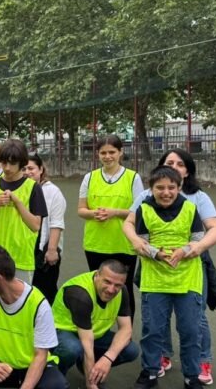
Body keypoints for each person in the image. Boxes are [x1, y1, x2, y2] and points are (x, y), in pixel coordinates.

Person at [129, 149, 216, 385]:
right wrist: (155, 253)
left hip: (188, 277)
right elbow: (140, 239)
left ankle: (193, 374)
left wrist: (186, 250)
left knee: (191, 328)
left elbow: (202, 235)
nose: (166, 192)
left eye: (171, 187)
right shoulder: (144, 206)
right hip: (154, 278)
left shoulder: (194, 204)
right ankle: (151, 369)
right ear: (151, 188)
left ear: (181, 184)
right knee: (153, 328)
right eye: (160, 187)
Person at [0, 246, 66, 389]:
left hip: (30, 367)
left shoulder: (39, 305)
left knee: (56, 385)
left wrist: (26, 386)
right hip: (0, 365)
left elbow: (40, 356)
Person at [77, 134, 143, 318]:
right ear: (97, 154)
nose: (107, 156)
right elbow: (81, 210)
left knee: (124, 290)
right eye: (103, 153)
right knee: (97, 288)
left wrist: (115, 212)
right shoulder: (89, 178)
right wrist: (94, 214)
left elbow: (139, 212)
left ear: (120, 152)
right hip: (95, 245)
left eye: (112, 152)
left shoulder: (133, 178)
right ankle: (98, 328)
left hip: (124, 245)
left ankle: (126, 330)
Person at [50, 261, 139, 389]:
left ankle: (88, 367)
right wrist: (91, 384)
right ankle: (53, 377)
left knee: (131, 350)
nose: (111, 289)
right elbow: (87, 343)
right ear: (97, 275)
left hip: (93, 333)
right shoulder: (80, 294)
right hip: (63, 332)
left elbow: (126, 329)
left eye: (117, 285)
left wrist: (107, 358)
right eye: (107, 282)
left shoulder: (122, 291)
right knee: (72, 349)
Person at [0, 139, 47, 284]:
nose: (7, 168)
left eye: (12, 163)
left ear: (21, 163)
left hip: (21, 258)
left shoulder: (33, 188)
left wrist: (18, 203)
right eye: (4, 163)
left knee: (20, 297)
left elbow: (35, 225)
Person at [24, 154, 65, 303]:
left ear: (41, 169)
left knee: (46, 293)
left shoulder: (52, 192)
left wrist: (52, 250)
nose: (27, 172)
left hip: (44, 250)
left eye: (31, 168)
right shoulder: (21, 189)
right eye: (23, 168)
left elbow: (56, 223)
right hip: (25, 249)